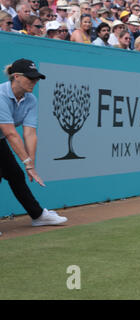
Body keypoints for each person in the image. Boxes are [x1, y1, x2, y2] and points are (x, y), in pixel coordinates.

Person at [0, 59, 68, 227]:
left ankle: (37, 215)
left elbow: (29, 133)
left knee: (15, 175)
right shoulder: (0, 95)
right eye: (30, 78)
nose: (35, 81)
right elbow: (10, 133)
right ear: (16, 77)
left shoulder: (31, 100)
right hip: (3, 136)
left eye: (36, 78)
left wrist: (31, 163)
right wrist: (27, 164)